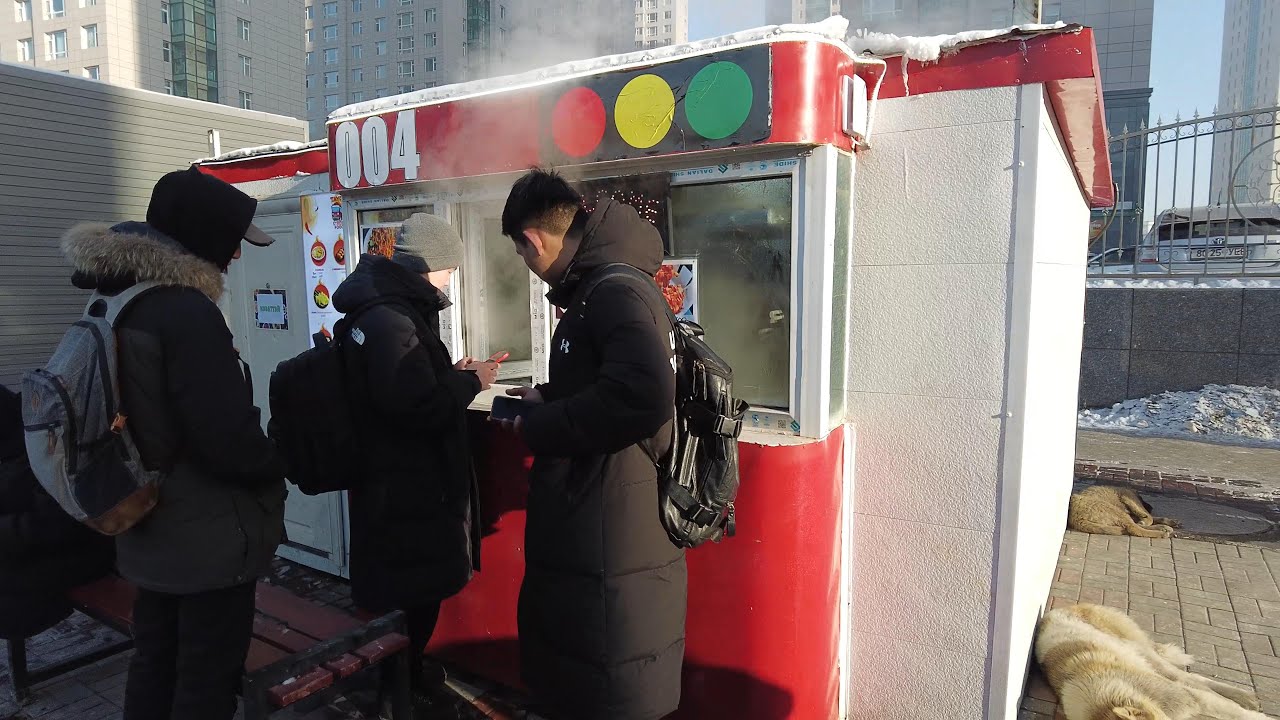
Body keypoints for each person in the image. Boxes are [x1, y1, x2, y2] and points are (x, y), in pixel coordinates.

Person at [60, 166, 288, 720]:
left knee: (156, 661)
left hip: (146, 524)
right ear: (205, 236)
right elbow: (228, 442)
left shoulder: (115, 299)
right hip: (204, 542)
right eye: (233, 242)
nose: (236, 256)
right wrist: (278, 461)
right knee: (205, 681)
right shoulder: (185, 313)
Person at [498, 170, 685, 720]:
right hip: (606, 530)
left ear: (533, 240)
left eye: (520, 254)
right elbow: (614, 383)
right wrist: (552, 397)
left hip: (611, 540)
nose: (528, 269)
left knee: (608, 691)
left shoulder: (614, 290)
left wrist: (540, 425)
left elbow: (642, 395)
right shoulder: (606, 287)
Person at [330, 212, 499, 712]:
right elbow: (415, 407)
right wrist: (474, 382)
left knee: (409, 591)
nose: (452, 279)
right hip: (406, 485)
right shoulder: (391, 318)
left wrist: (449, 372)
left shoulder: (384, 310)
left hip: (393, 482)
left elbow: (402, 386)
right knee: (412, 593)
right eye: (450, 269)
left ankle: (404, 675)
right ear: (431, 266)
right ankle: (395, 691)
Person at [0, 384, 115, 643]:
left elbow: (59, 525)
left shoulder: (44, 446)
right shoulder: (12, 449)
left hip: (83, 550)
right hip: (36, 551)